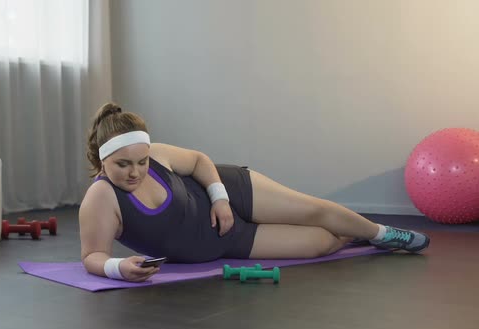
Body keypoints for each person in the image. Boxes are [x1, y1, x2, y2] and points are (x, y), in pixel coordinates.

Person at [79, 103, 430, 282]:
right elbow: (92, 255)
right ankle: (357, 239)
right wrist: (117, 268)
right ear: (103, 158)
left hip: (232, 194)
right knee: (320, 243)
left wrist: (219, 198)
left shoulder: (157, 155)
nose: (135, 171)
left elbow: (200, 161)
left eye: (141, 162)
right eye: (123, 164)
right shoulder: (101, 197)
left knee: (312, 210)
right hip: (225, 241)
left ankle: (383, 233)